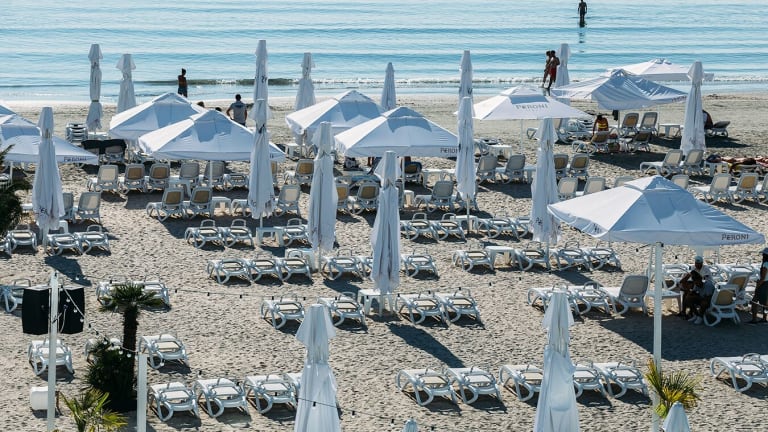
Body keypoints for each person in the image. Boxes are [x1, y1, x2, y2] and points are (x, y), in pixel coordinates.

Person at [678, 255, 714, 324]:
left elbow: (708, 298)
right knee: (687, 297)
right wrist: (689, 291)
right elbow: (685, 280)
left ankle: (699, 316)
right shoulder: (696, 282)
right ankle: (694, 314)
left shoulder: (707, 281)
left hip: (707, 298)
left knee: (704, 302)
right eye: (696, 263)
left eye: (698, 263)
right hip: (701, 291)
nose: (697, 265)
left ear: (702, 263)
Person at [749, 248, 768, 323]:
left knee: (754, 301)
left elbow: (763, 278)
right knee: (765, 302)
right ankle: (764, 318)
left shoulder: (765, 264)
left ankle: (754, 319)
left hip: (764, 284)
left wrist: (757, 286)